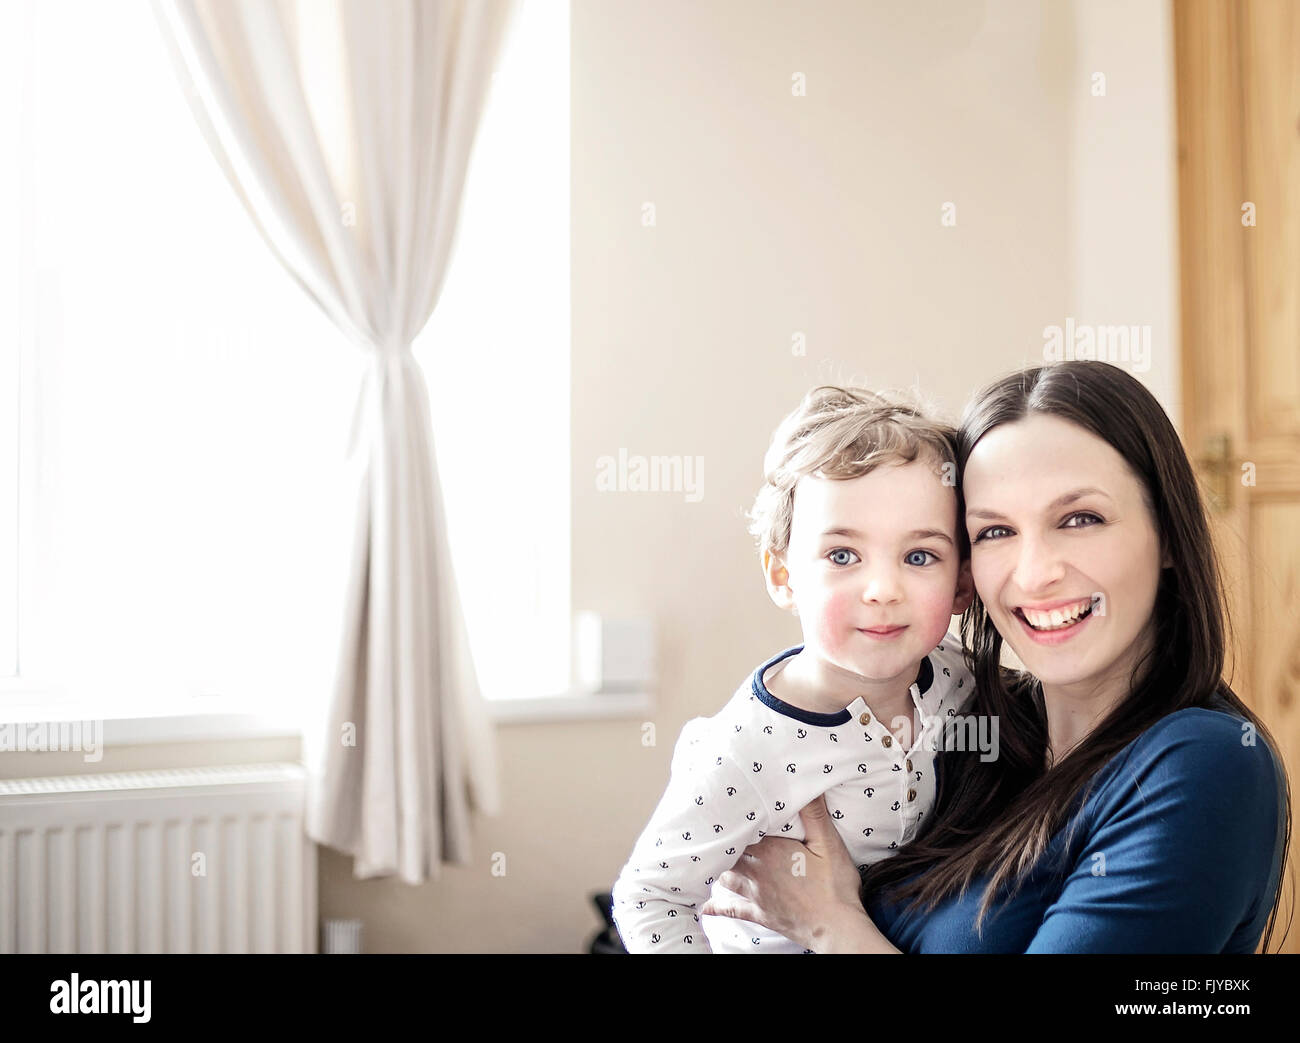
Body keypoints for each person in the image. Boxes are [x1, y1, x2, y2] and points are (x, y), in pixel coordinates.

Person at [700, 361, 1292, 953]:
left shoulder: (1205, 765)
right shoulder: (968, 725)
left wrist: (827, 923)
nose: (1034, 575)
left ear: (1166, 533)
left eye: (1080, 519)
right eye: (994, 532)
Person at [610, 385, 976, 952]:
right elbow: (649, 898)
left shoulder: (959, 678)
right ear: (783, 576)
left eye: (919, 556)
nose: (882, 590)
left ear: (961, 583)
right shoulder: (744, 747)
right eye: (842, 556)